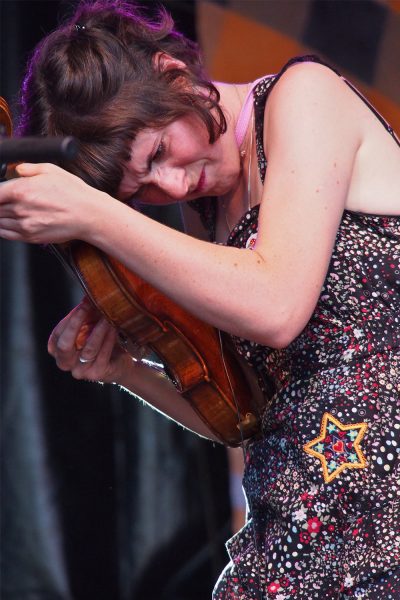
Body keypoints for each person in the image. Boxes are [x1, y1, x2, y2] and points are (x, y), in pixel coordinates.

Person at [0, 1, 399, 597]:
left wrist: (99, 216)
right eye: (143, 191)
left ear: (173, 74)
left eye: (159, 153)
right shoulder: (205, 209)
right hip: (301, 520)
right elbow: (245, 414)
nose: (176, 185)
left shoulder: (303, 97)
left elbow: (277, 307)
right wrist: (127, 371)